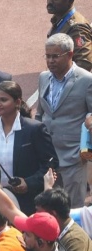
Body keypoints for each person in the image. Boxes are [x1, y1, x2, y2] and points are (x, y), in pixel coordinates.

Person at [0, 81, 57, 215]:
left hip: (27, 202)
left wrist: (28, 183)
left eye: (3, 100)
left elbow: (51, 163)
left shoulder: (34, 129)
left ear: (17, 102)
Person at [36, 33, 92, 207]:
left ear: (70, 55)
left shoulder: (87, 80)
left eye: (55, 56)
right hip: (48, 157)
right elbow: (40, 113)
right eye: (47, 56)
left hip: (73, 157)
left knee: (73, 208)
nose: (50, 61)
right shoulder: (43, 77)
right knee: (50, 208)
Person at [35, 187, 92, 251]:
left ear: (53, 214)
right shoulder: (57, 230)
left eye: (39, 212)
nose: (36, 216)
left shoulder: (75, 239)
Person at [47, 0, 92, 71]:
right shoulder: (58, 20)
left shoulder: (77, 28)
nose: (50, 1)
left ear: (69, 1)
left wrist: (64, 77)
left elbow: (84, 63)